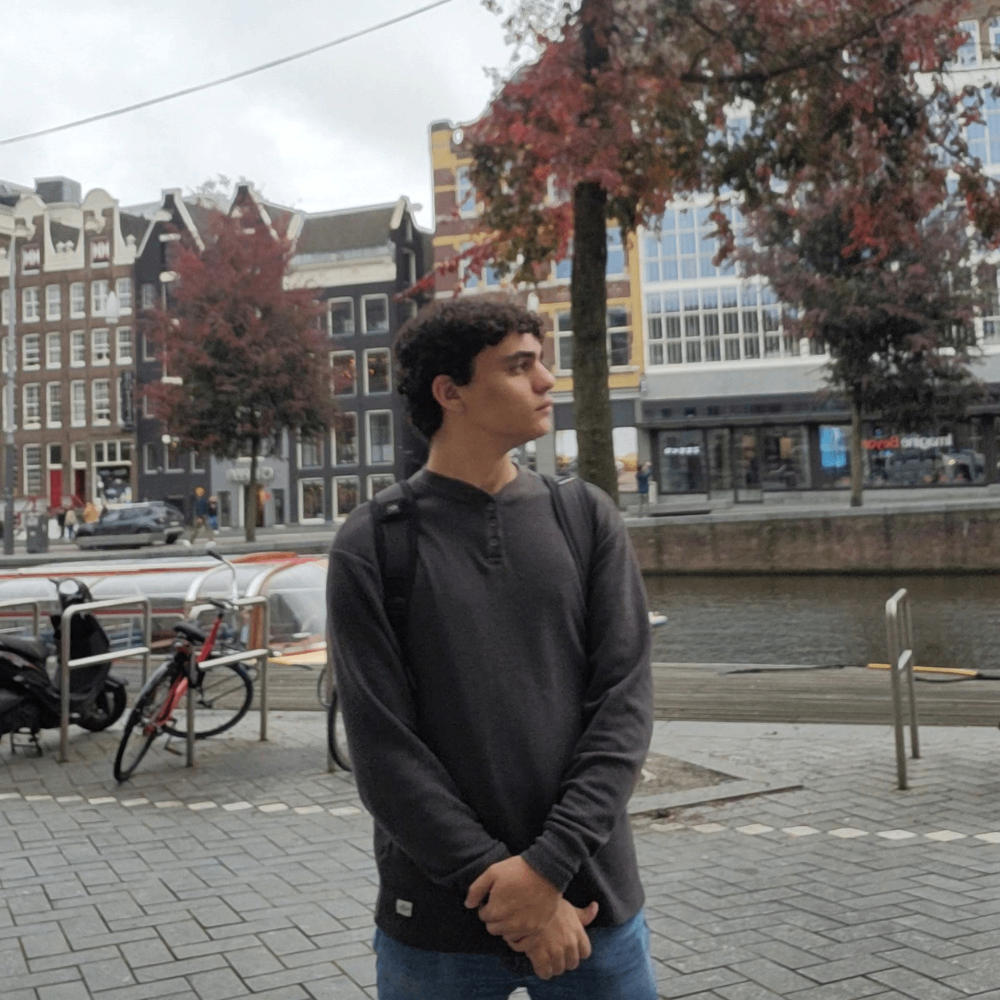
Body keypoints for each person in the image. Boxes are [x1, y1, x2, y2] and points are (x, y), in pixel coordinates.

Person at [327, 299, 655, 999]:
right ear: (451, 393)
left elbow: (622, 710)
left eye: (542, 361)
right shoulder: (374, 544)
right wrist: (513, 891)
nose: (547, 381)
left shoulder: (585, 517)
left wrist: (546, 869)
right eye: (520, 365)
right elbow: (384, 753)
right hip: (440, 925)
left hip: (591, 903)